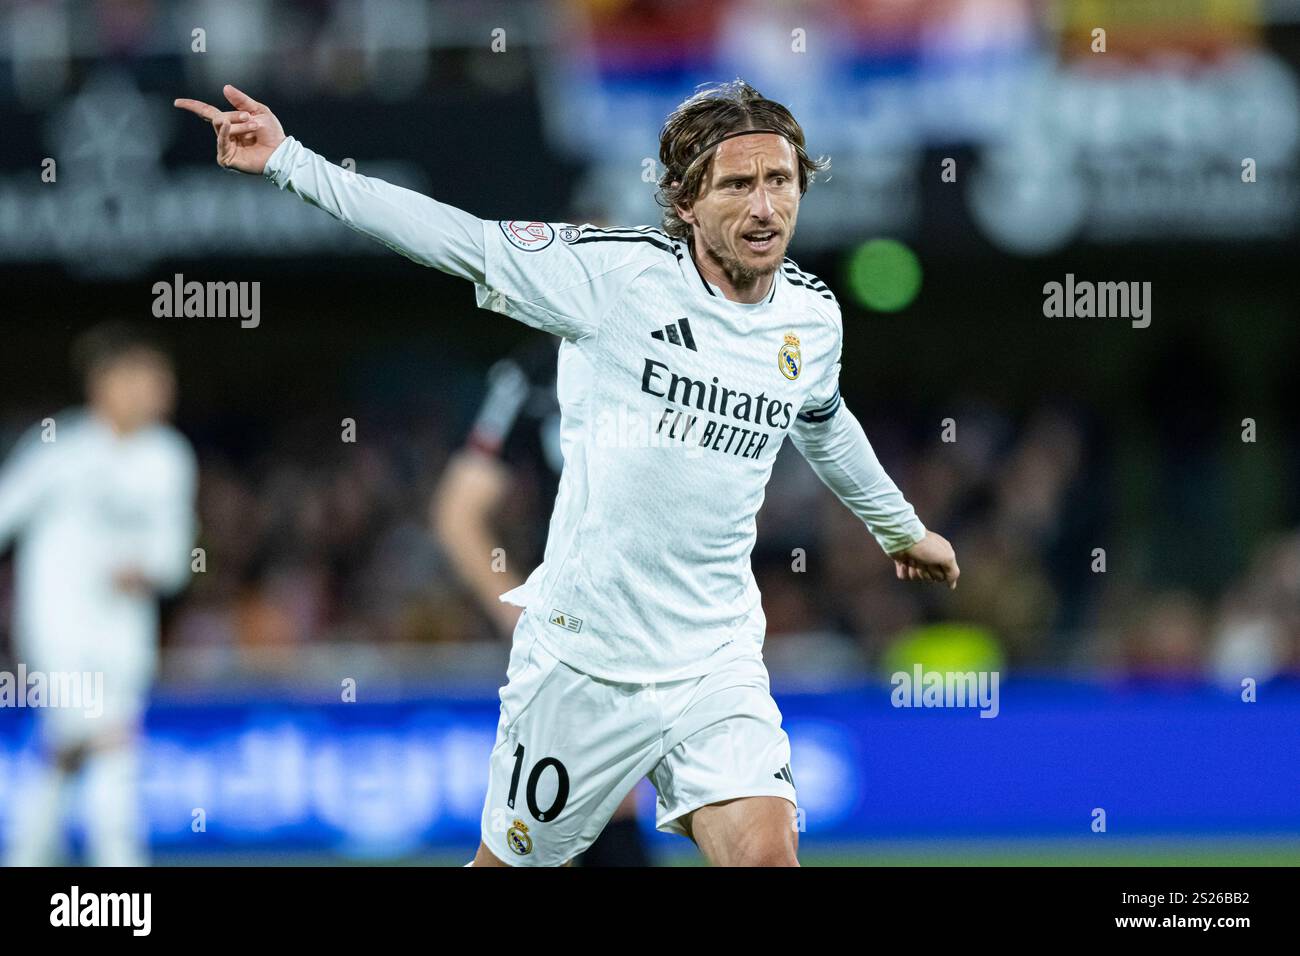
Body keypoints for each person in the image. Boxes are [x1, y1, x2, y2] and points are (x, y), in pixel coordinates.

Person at [175, 79, 959, 867]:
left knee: (766, 857)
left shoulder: (811, 317)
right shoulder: (611, 279)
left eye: (780, 181)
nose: (765, 208)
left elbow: (823, 421)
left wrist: (901, 528)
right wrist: (291, 162)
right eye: (738, 185)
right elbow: (456, 238)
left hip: (715, 661)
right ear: (686, 201)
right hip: (586, 664)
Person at [434, 334, 652, 866]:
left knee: (742, 821)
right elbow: (458, 513)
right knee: (597, 807)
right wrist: (522, 616)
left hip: (684, 617)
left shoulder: (694, 342)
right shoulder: (532, 373)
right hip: (588, 624)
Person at [0, 324, 197, 866]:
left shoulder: (168, 457)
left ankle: (24, 856)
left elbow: (175, 559)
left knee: (67, 747)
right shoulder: (60, 447)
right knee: (111, 738)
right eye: (145, 379)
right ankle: (121, 870)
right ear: (104, 383)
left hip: (124, 631)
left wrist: (146, 570)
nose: (158, 391)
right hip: (58, 627)